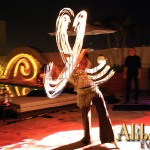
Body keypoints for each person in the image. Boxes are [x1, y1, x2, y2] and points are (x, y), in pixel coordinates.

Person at [69, 50, 118, 148]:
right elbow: (74, 66)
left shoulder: (87, 63)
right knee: (85, 115)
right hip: (82, 93)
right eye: (81, 59)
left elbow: (85, 65)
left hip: (93, 90)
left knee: (103, 113)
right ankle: (87, 137)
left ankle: (109, 138)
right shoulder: (74, 66)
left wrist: (83, 55)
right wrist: (82, 52)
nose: (83, 61)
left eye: (84, 58)